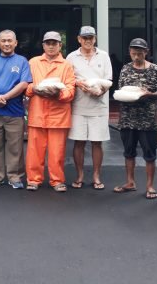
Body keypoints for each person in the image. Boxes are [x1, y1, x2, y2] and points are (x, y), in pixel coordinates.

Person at [25, 31, 76, 192]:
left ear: (60, 45)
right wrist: (33, 89)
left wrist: (58, 94)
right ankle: (33, 180)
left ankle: (57, 180)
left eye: (55, 43)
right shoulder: (33, 62)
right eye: (48, 43)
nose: (51, 46)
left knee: (57, 152)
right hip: (37, 113)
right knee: (34, 150)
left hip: (58, 115)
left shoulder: (66, 65)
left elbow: (70, 90)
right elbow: (25, 85)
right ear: (43, 45)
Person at [113, 38, 157, 199]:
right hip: (127, 119)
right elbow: (120, 89)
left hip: (147, 120)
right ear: (130, 52)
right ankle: (130, 182)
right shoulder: (125, 69)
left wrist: (149, 94)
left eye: (139, 53)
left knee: (150, 154)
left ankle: (150, 186)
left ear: (146, 52)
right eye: (133, 52)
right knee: (128, 152)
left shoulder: (154, 69)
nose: (136, 56)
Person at [66, 26, 112, 190]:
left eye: (90, 38)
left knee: (97, 143)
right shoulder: (71, 57)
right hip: (78, 106)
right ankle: (79, 175)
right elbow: (67, 78)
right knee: (78, 142)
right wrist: (78, 83)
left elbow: (108, 80)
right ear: (79, 39)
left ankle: (96, 176)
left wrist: (100, 91)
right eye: (84, 38)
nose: (88, 41)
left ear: (95, 39)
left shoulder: (103, 56)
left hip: (99, 107)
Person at [0, 29, 32, 189]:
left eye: (9, 40)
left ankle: (14, 177)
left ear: (15, 43)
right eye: (3, 41)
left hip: (15, 111)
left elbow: (24, 84)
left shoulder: (22, 61)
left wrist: (4, 97)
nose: (6, 43)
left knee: (15, 147)